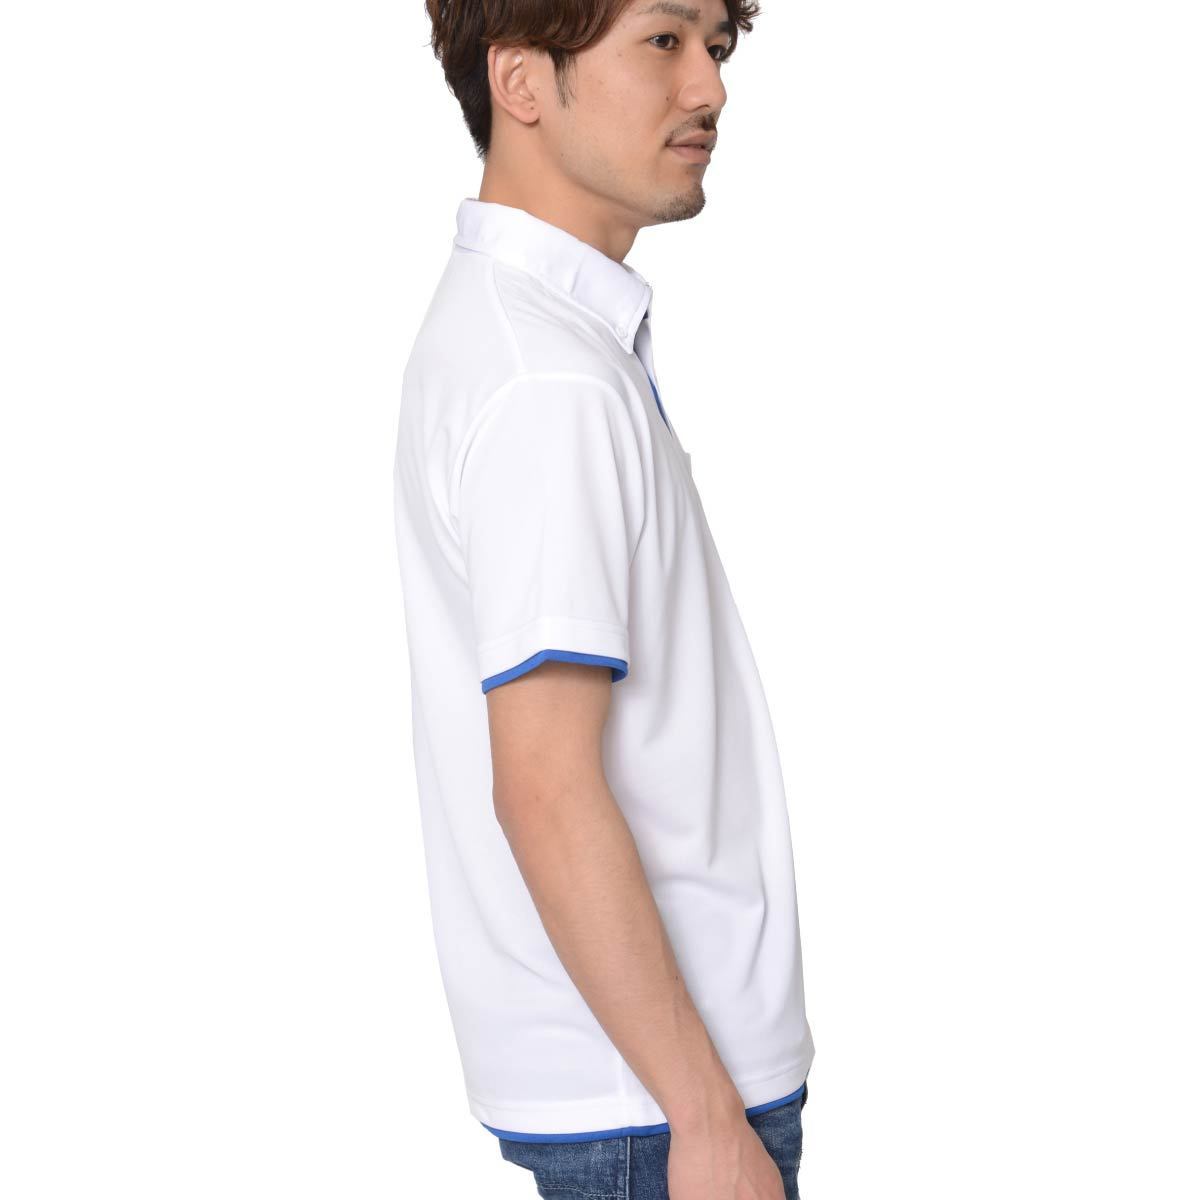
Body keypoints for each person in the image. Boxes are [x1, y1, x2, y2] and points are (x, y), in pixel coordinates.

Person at [392, 2, 815, 1195]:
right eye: (663, 41)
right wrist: (705, 1117)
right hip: (659, 1107)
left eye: (716, 47)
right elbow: (544, 785)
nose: (710, 90)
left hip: (640, 1092)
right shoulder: (548, 384)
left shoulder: (527, 334)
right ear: (521, 82)